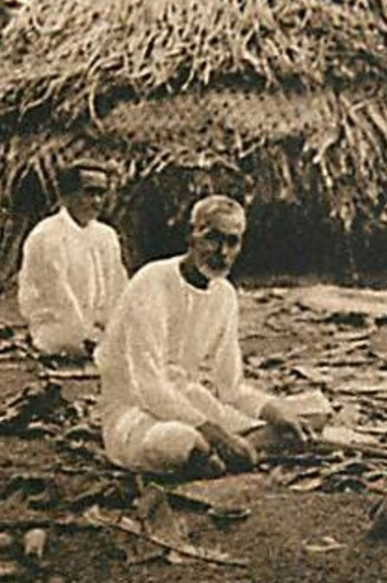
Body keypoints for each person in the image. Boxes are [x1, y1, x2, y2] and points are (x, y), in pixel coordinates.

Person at [96, 196, 316, 476]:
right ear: (191, 235)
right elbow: (147, 385)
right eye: (212, 238)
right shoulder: (152, 281)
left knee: (300, 419)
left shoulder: (224, 294)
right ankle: (216, 451)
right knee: (185, 444)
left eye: (232, 241)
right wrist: (217, 435)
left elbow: (231, 387)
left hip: (189, 402)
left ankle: (228, 450)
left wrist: (273, 410)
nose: (222, 252)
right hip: (133, 410)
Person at [16, 161, 127, 357]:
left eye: (101, 193)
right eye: (89, 193)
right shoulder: (47, 236)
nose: (97, 201)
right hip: (57, 330)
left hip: (98, 332)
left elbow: (117, 288)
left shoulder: (106, 235)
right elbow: (59, 297)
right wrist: (86, 334)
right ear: (66, 196)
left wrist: (112, 328)